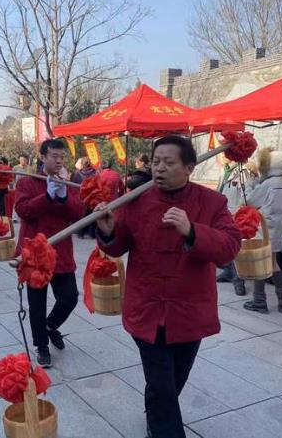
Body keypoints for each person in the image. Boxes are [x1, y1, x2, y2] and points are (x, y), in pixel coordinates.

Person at [94, 136, 241, 438]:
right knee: (161, 382)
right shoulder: (135, 201)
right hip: (146, 309)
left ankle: (155, 418)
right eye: (155, 161)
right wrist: (108, 230)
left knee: (172, 382)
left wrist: (192, 231)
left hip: (189, 311)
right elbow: (118, 245)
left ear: (189, 167)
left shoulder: (212, 203)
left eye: (169, 162)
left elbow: (229, 248)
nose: (159, 168)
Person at [14, 139, 86, 368]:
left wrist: (63, 196)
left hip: (61, 251)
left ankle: (50, 325)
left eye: (61, 157)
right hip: (35, 252)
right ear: (42, 157)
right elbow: (23, 211)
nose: (58, 161)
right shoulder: (27, 182)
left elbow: (79, 214)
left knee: (70, 296)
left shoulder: (69, 183)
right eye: (54, 156)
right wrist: (47, 196)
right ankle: (41, 345)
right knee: (37, 302)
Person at [243, 148, 282, 314]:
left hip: (263, 229)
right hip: (277, 230)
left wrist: (250, 183)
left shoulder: (269, 183)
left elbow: (249, 200)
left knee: (260, 264)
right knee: (273, 263)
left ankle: (259, 301)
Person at [216, 159, 259, 295]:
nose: (221, 155)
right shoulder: (225, 170)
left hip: (237, 215)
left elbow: (248, 196)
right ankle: (228, 271)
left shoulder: (244, 171)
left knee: (236, 248)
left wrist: (239, 212)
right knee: (225, 245)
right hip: (223, 212)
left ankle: (238, 280)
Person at [71, 157, 98, 239]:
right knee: (91, 215)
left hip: (81, 197)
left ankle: (81, 233)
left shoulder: (77, 173)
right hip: (92, 196)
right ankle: (91, 233)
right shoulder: (95, 173)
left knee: (82, 215)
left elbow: (72, 185)